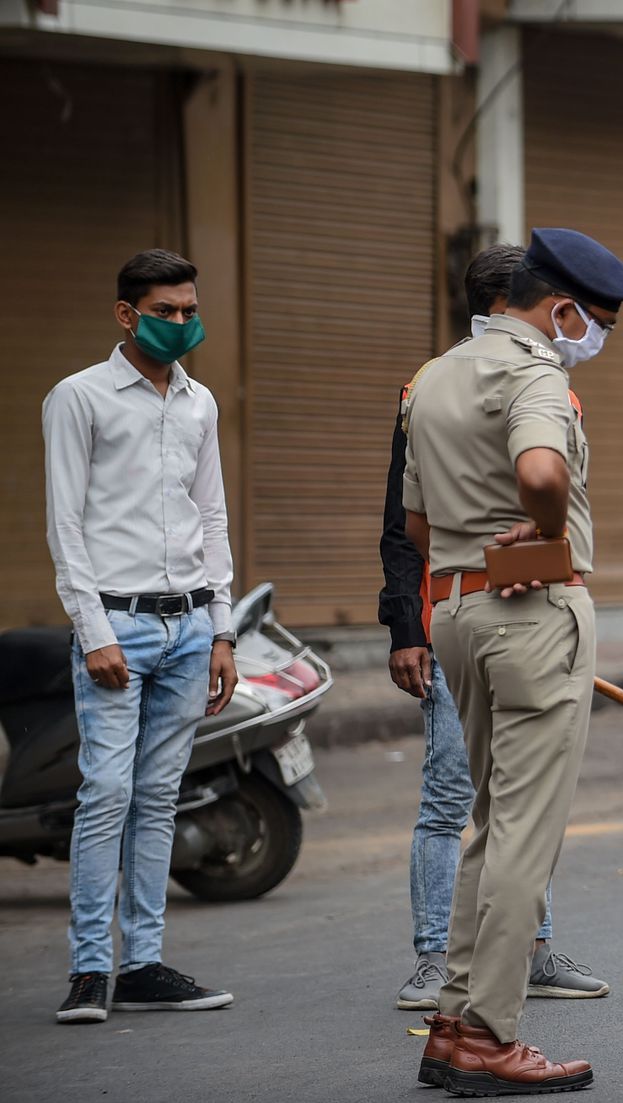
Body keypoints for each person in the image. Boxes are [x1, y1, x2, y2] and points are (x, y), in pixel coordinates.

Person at [404, 228, 623, 1094]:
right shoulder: (536, 370)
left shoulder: (433, 376)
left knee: (490, 823)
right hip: (531, 610)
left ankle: (454, 1021)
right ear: (561, 307)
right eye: (597, 322)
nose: (596, 339)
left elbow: (419, 528)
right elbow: (541, 469)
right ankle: (492, 1036)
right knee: (523, 837)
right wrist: (544, 531)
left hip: (459, 609)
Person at [45, 249, 240, 1024]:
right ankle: (91, 969)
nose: (183, 324)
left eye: (190, 310)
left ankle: (146, 963)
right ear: (127, 314)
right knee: (107, 794)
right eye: (168, 311)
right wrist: (92, 630)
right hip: (117, 627)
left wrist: (222, 628)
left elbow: (213, 516)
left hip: (192, 625)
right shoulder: (79, 398)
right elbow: (64, 524)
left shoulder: (200, 404)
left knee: (159, 797)